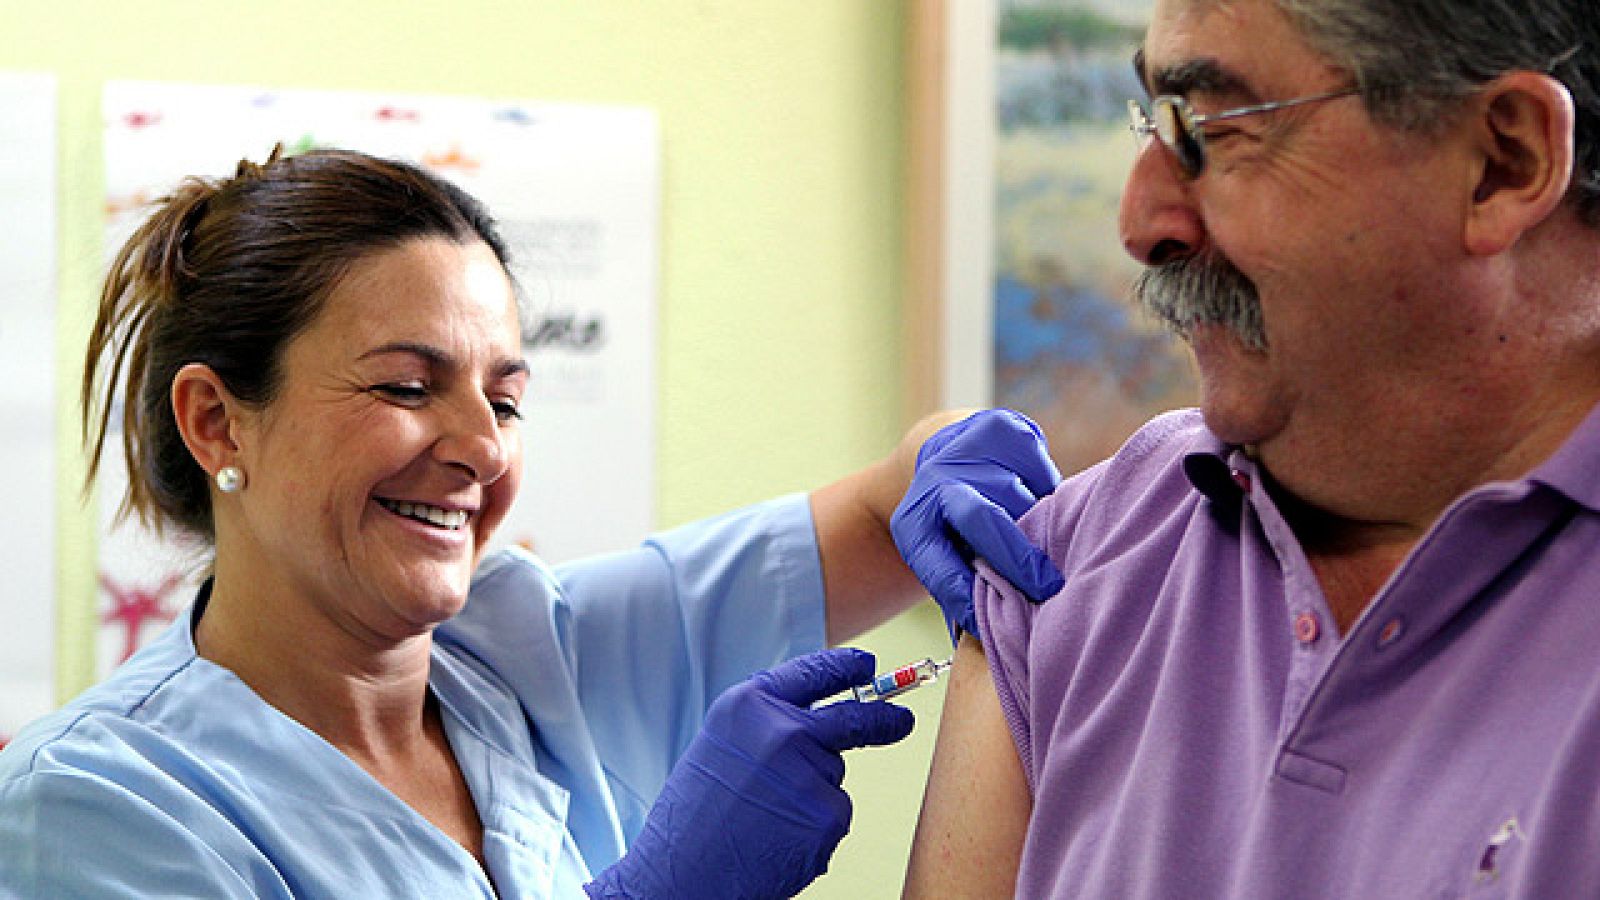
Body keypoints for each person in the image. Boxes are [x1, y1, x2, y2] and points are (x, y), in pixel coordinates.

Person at [0, 147, 1064, 898]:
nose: (483, 446)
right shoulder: (91, 807)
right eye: (408, 388)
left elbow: (888, 499)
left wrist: (946, 451)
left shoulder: (526, 654)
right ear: (217, 423)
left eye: (505, 399)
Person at [897, 0, 1600, 896]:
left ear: (1504, 161)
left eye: (1212, 130)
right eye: (1155, 123)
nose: (1141, 221)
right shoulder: (1081, 558)